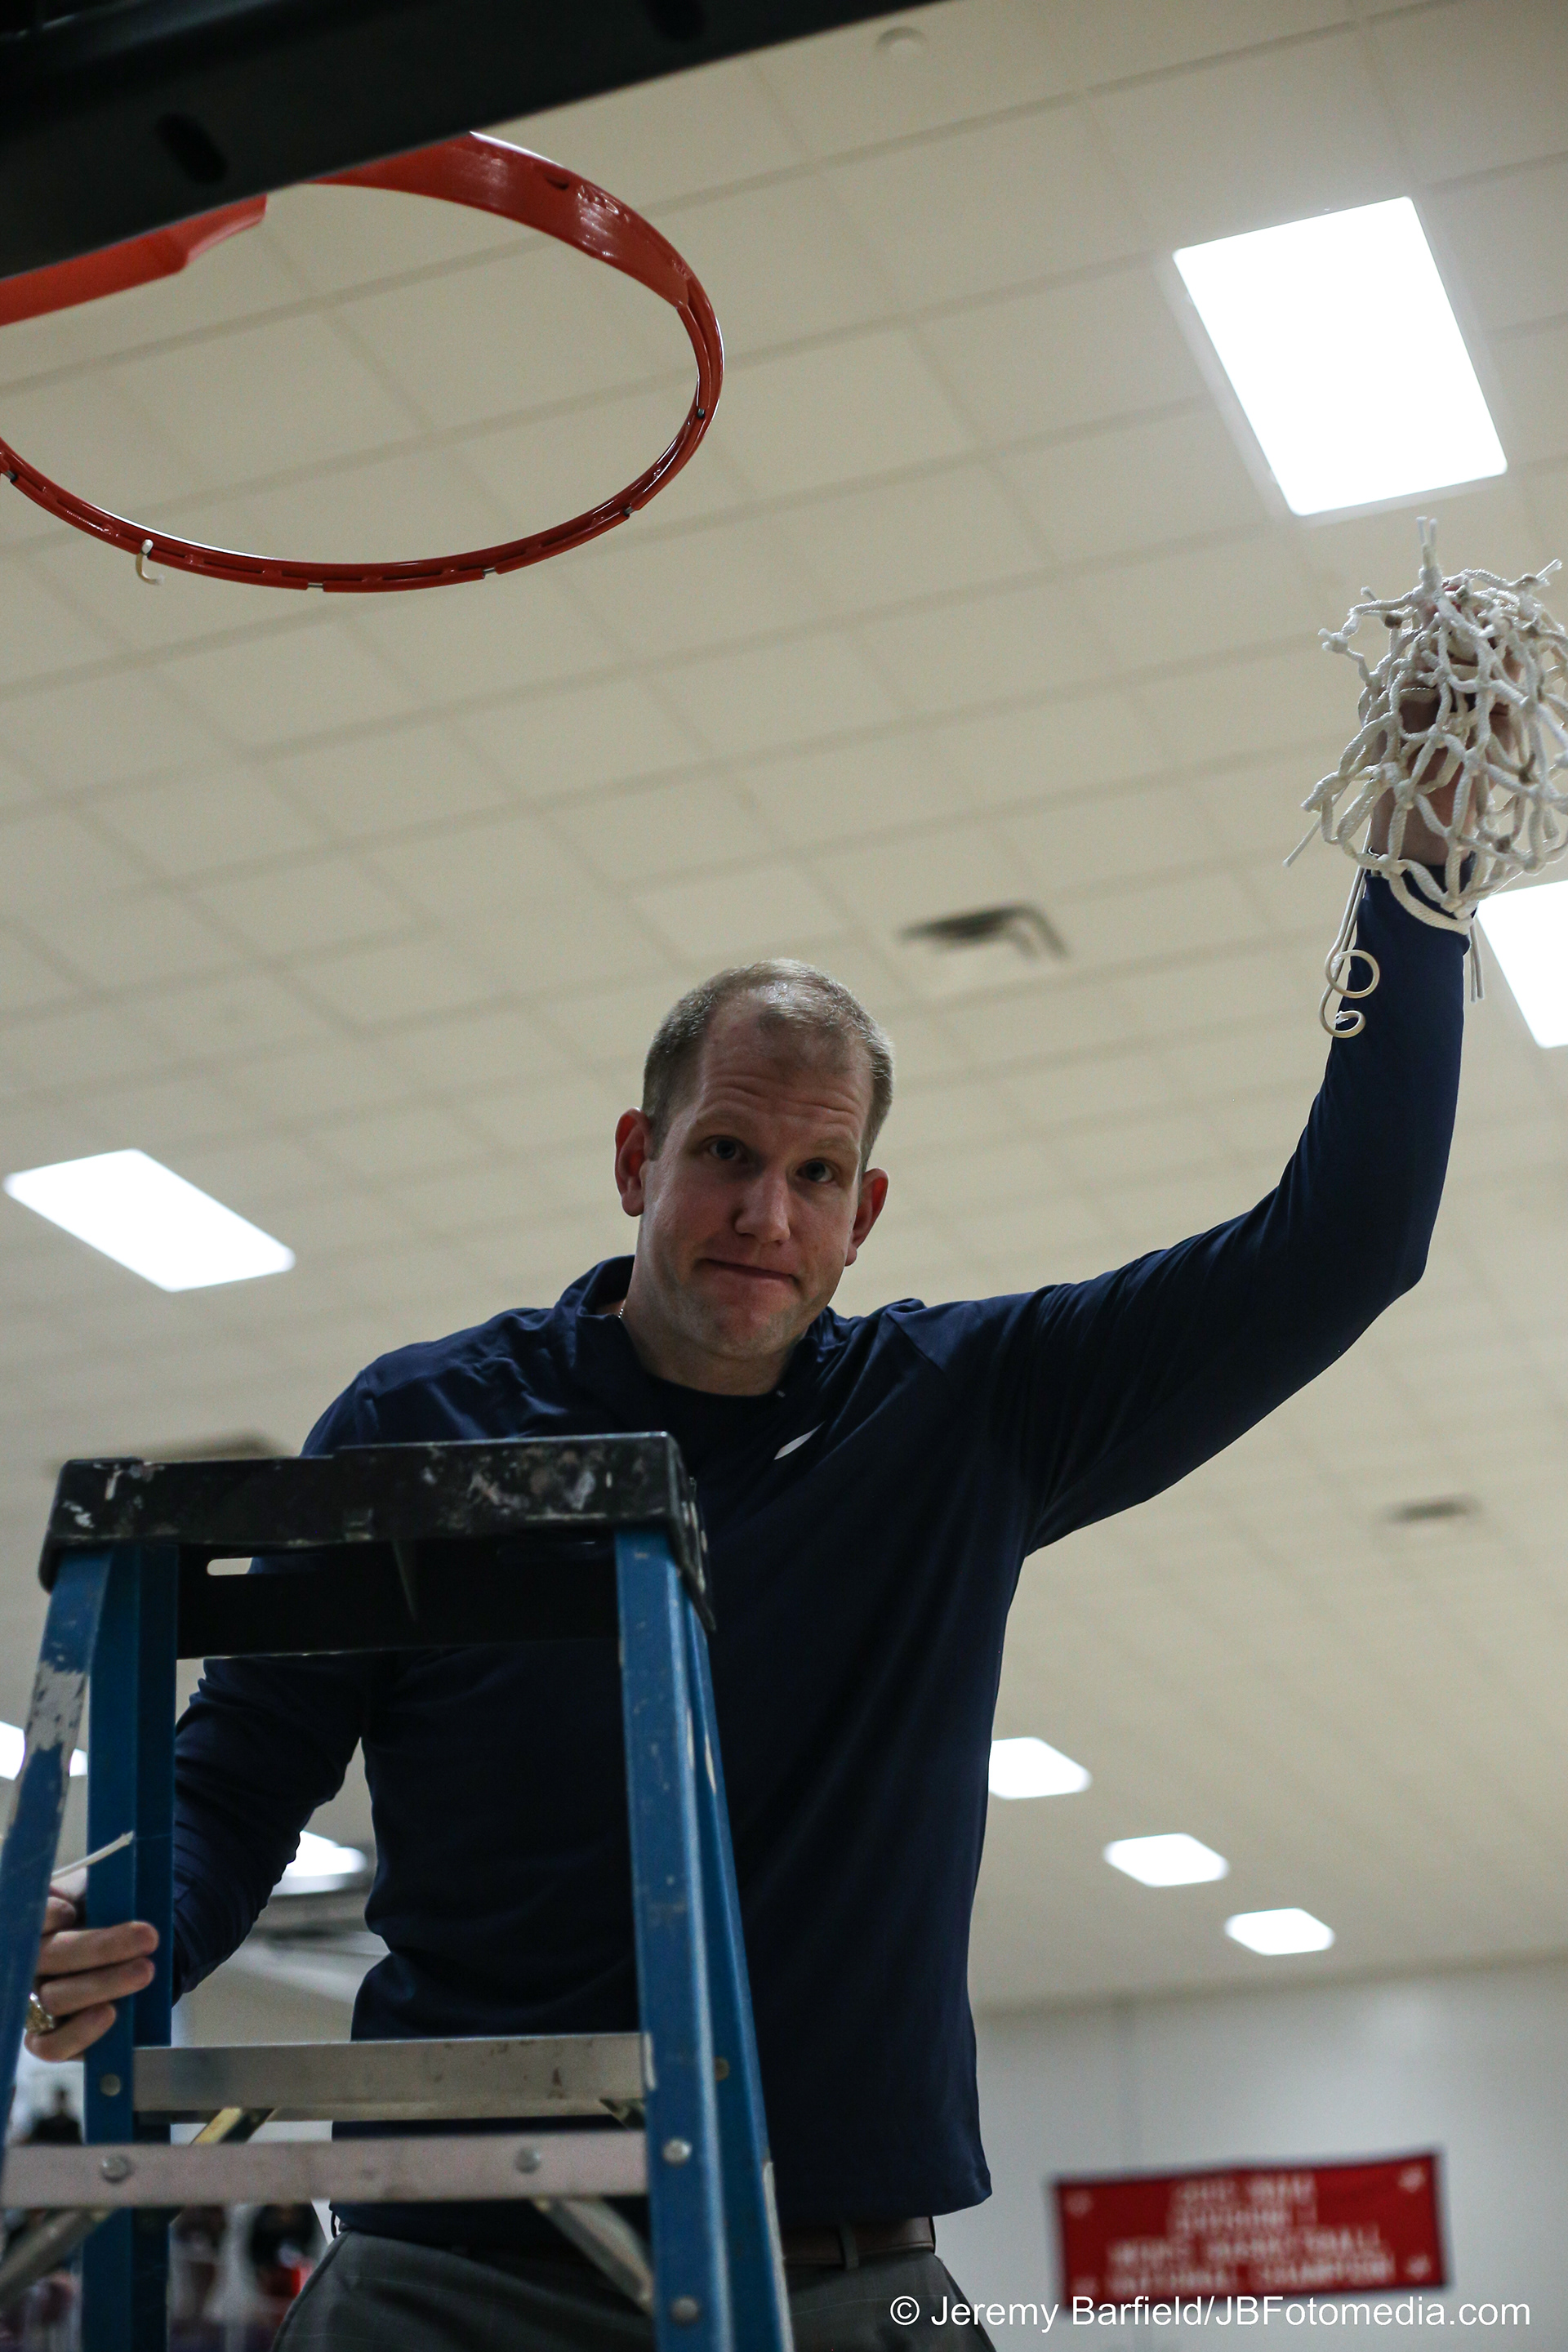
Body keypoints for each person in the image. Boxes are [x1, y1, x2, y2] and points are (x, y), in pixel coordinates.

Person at [21, 778, 1467, 2350]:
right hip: (459, 2280)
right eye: (724, 1152)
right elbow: (241, 1779)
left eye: (817, 1175)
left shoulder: (966, 1418)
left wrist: (1421, 877)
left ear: (866, 1213)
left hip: (840, 2277)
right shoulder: (425, 1423)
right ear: (638, 1157)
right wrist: (128, 1927)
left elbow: (1349, 1242)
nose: (763, 1214)